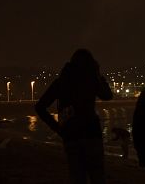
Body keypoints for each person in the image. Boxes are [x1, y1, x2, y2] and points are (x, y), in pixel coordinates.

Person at [35, 49, 113, 184]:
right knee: (97, 176)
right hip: (92, 134)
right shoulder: (91, 79)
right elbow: (107, 95)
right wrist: (98, 75)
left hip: (71, 136)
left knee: (77, 177)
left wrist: (57, 128)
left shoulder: (61, 81)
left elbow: (40, 107)